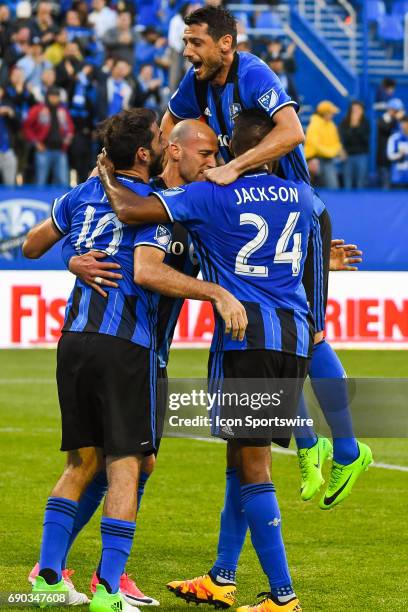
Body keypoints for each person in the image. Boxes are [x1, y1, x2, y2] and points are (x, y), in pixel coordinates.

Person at [97, 108, 319, 612]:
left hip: (249, 339)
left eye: (221, 152)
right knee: (242, 461)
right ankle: (222, 574)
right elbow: (310, 241)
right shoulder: (302, 195)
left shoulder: (213, 193)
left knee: (254, 466)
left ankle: (283, 597)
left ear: (236, 151)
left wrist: (107, 173)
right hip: (295, 337)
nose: (215, 159)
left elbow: (132, 211)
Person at [24, 109, 243, 611]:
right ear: (147, 153)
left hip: (73, 340)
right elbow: (146, 271)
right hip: (128, 346)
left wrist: (75, 254)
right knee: (128, 467)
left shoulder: (83, 192)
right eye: (161, 137)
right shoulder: (156, 204)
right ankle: (108, 589)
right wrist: (214, 294)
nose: (168, 141)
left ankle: (48, 579)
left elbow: (33, 244)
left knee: (83, 461)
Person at [160, 5, 370, 519]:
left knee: (308, 332)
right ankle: (312, 443)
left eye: (195, 42)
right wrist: (162, 169)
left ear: (226, 44)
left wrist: (231, 166)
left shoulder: (253, 72)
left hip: (296, 211)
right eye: (185, 41)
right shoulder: (198, 81)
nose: (187, 51)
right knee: (260, 328)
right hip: (255, 212)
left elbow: (292, 132)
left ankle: (343, 448)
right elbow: (169, 126)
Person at [23, 86, 74, 186]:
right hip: (44, 150)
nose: (54, 98)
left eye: (56, 96)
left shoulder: (63, 111)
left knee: (63, 183)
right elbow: (27, 127)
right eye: (52, 96)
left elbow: (70, 127)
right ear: (47, 96)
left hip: (60, 150)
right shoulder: (38, 109)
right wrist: (36, 143)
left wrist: (68, 136)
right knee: (41, 182)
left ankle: (61, 202)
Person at [304, 100, 344, 188]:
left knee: (332, 186)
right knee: (316, 187)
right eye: (331, 113)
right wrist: (332, 152)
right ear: (324, 113)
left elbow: (336, 142)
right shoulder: (314, 125)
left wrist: (333, 151)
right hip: (314, 159)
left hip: (327, 159)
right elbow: (315, 146)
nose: (332, 115)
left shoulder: (331, 125)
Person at [340, 100, 370, 189]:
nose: (356, 112)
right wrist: (352, 127)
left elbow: (365, 139)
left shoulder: (365, 122)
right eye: (354, 110)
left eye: (358, 109)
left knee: (360, 183)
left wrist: (356, 126)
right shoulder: (345, 122)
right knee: (347, 183)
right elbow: (343, 139)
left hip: (361, 155)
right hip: (348, 156)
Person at [377, 98, 405, 189]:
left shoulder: (401, 121)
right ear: (390, 109)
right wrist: (396, 119)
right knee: (386, 187)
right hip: (385, 160)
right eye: (395, 111)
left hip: (399, 162)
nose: (397, 113)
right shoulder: (382, 120)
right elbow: (387, 130)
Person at [387, 115, 408, 188]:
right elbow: (390, 155)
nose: (406, 126)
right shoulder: (395, 138)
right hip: (398, 175)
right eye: (404, 123)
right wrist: (400, 155)